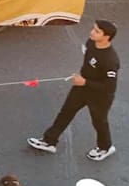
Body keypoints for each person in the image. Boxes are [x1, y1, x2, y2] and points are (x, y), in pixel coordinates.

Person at [29, 20, 121, 161]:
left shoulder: (110, 60)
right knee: (66, 112)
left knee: (99, 122)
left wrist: (85, 82)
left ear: (107, 37)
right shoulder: (91, 43)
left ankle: (105, 147)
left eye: (97, 31)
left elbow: (109, 86)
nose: (92, 32)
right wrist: (82, 78)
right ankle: (49, 141)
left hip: (100, 96)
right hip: (81, 87)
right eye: (93, 28)